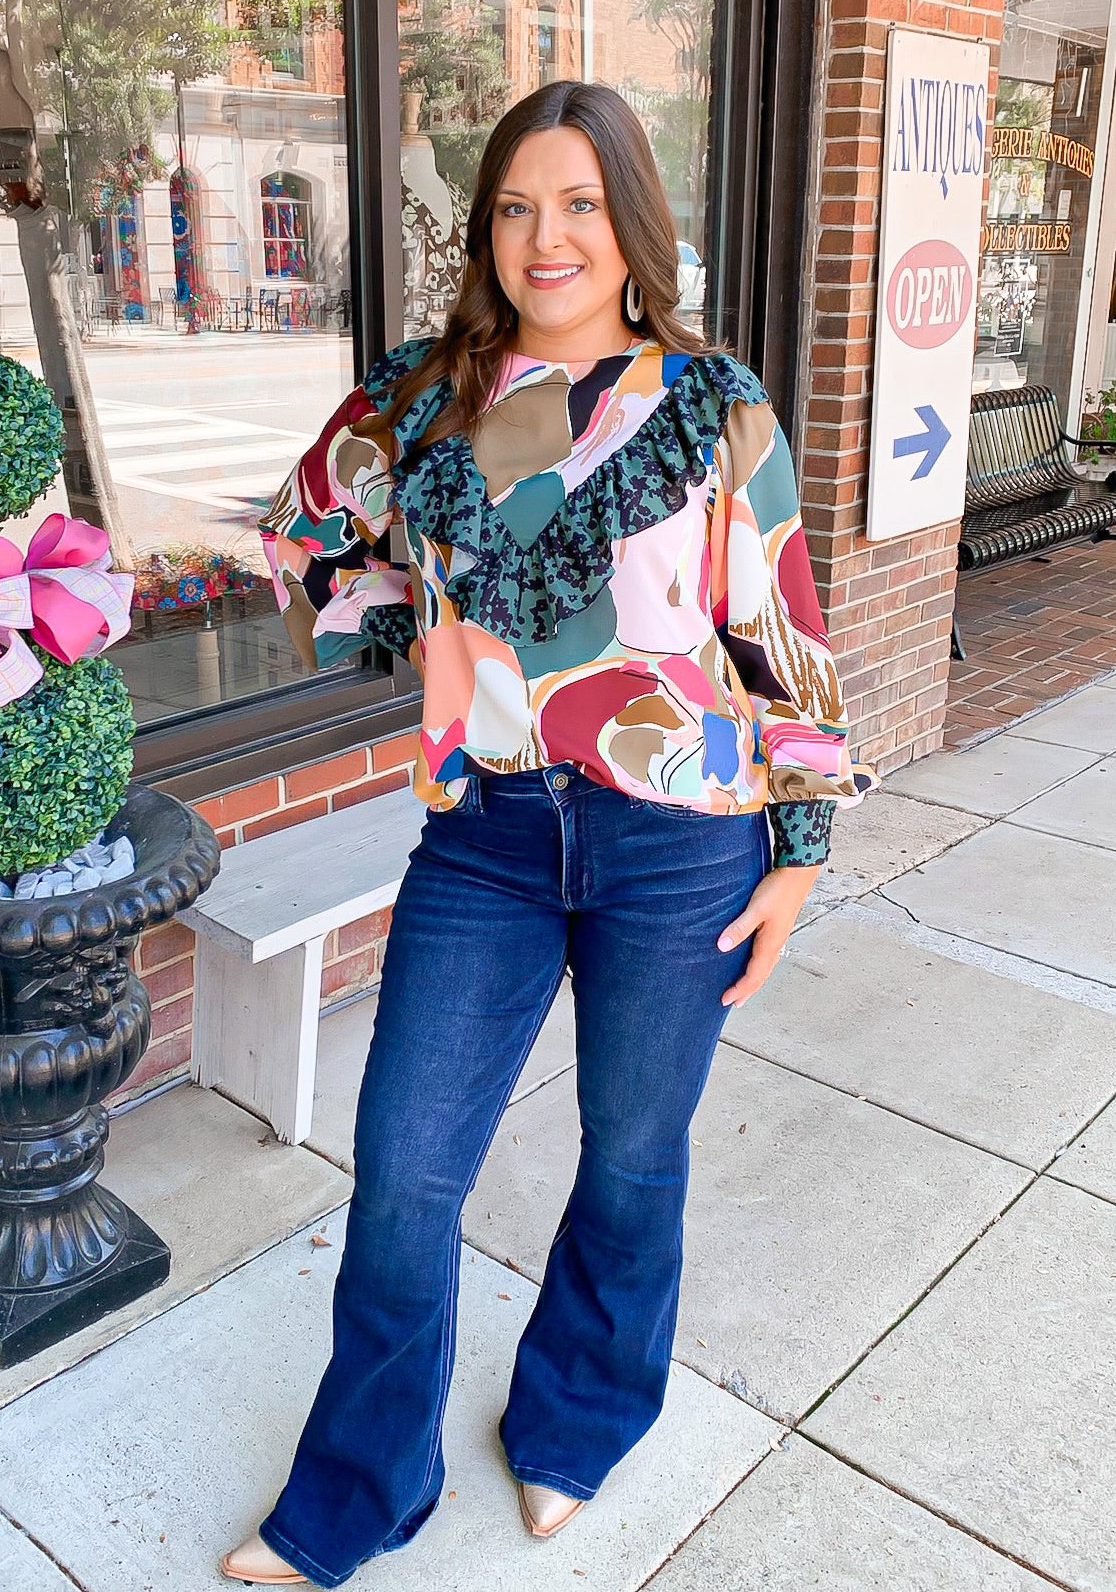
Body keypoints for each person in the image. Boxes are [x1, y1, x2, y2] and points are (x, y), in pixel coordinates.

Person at [220, 81, 873, 1588]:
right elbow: (301, 531)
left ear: (632, 222)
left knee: (633, 1158)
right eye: (516, 206)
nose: (546, 237)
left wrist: (798, 853)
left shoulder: (712, 404)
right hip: (490, 842)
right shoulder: (420, 396)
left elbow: (781, 622)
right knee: (403, 1173)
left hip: (682, 843)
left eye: (579, 203)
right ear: (487, 232)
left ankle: (578, 1418)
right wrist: (414, 629)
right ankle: (362, 1488)